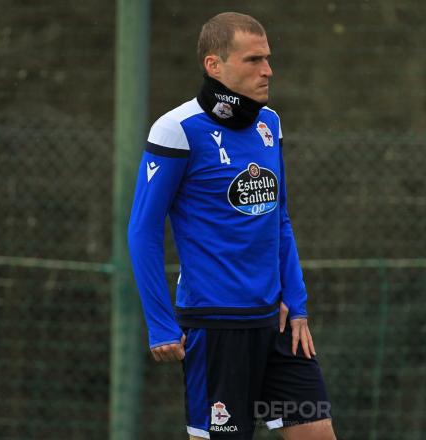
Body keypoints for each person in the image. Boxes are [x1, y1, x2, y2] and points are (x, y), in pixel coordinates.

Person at [128, 12, 336, 440]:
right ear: (214, 65)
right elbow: (143, 230)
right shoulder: (177, 130)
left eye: (268, 58)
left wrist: (296, 302)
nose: (268, 70)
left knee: (318, 433)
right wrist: (160, 322)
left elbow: (278, 218)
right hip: (216, 325)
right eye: (254, 60)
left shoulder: (269, 124)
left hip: (277, 326)